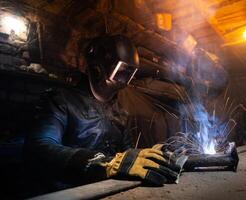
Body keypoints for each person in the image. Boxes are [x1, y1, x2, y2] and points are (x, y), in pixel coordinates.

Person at [24, 35, 180, 193]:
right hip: (66, 192)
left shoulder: (119, 112)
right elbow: (39, 147)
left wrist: (144, 156)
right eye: (120, 72)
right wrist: (103, 163)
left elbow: (124, 154)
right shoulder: (61, 101)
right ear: (98, 69)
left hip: (103, 190)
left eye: (129, 74)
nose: (123, 81)